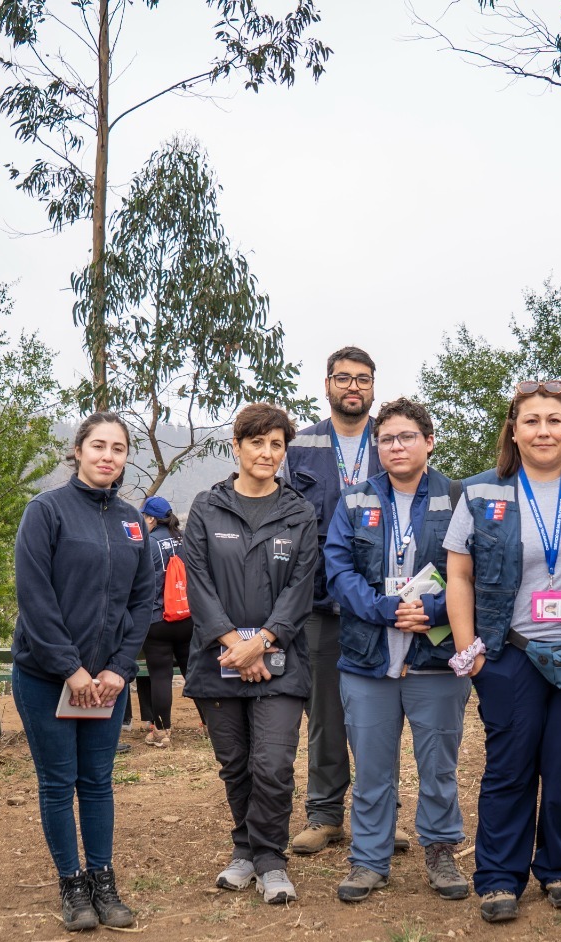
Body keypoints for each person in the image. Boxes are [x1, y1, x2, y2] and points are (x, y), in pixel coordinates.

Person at [443, 380, 561, 924]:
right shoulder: (480, 493)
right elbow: (459, 574)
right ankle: (498, 877)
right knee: (510, 768)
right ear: (513, 432)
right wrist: (472, 649)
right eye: (532, 421)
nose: (543, 430)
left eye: (554, 420)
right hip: (511, 654)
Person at [324, 397, 473, 903]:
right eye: (386, 438)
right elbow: (338, 573)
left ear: (429, 442)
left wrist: (432, 610)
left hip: (435, 660)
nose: (396, 445)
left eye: (406, 436)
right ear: (376, 448)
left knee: (437, 764)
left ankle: (440, 852)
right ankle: (369, 860)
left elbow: (471, 570)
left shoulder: (457, 498)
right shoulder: (354, 501)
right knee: (371, 769)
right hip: (368, 660)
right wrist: (387, 609)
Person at [11, 413, 153, 934]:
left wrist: (119, 669)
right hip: (47, 675)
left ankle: (103, 879)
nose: (108, 456)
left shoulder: (132, 520)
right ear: (77, 450)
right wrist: (70, 668)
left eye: (118, 448)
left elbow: (143, 601)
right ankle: (72, 886)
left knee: (97, 782)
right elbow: (35, 596)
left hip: (107, 683)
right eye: (98, 445)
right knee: (58, 782)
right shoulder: (46, 511)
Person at [183, 403, 320, 904]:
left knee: (273, 764)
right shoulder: (206, 506)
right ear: (237, 447)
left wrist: (260, 643)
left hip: (279, 660)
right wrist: (232, 644)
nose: (267, 453)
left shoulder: (299, 512)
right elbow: (197, 582)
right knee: (236, 764)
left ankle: (271, 860)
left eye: (276, 444)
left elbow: (300, 590)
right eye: (257, 442)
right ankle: (245, 851)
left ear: (284, 451)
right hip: (218, 659)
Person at [282, 346, 386, 857]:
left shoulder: (390, 441)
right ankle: (324, 815)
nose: (353, 387)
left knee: (378, 713)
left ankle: (379, 813)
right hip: (318, 602)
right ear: (326, 385)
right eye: (342, 378)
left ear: (373, 387)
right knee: (325, 713)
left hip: (379, 602)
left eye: (362, 380)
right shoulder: (300, 448)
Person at [134, 495, 193, 748]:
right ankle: (212, 724)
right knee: (195, 672)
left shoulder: (148, 544)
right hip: (188, 619)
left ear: (150, 518)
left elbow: (140, 584)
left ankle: (161, 731)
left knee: (160, 676)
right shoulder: (185, 540)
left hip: (158, 619)